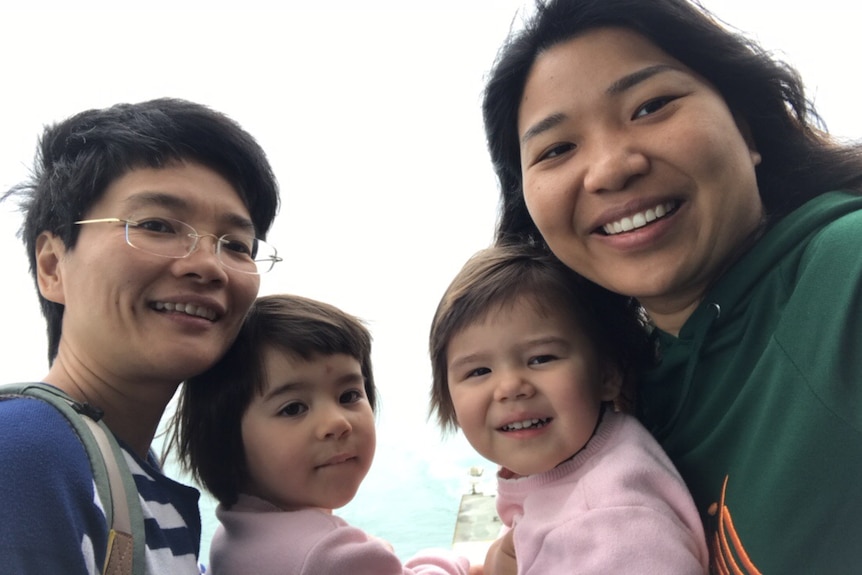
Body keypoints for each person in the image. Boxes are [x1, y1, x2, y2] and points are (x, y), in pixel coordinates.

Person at [481, 0, 862, 572]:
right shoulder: (622, 385)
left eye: (650, 106)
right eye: (557, 148)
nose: (610, 168)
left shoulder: (844, 278)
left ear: (747, 126)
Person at [0, 98, 281, 574]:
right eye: (155, 225)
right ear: (52, 265)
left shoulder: (121, 469)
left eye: (235, 244)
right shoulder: (24, 456)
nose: (208, 265)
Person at [429, 243, 709, 574]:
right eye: (478, 372)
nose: (509, 387)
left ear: (607, 374)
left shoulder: (613, 525)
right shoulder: (587, 457)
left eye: (541, 358)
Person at [172, 293, 476, 575]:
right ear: (224, 438)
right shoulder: (330, 556)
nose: (337, 422)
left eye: (349, 396)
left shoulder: (233, 533)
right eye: (293, 408)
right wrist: (453, 563)